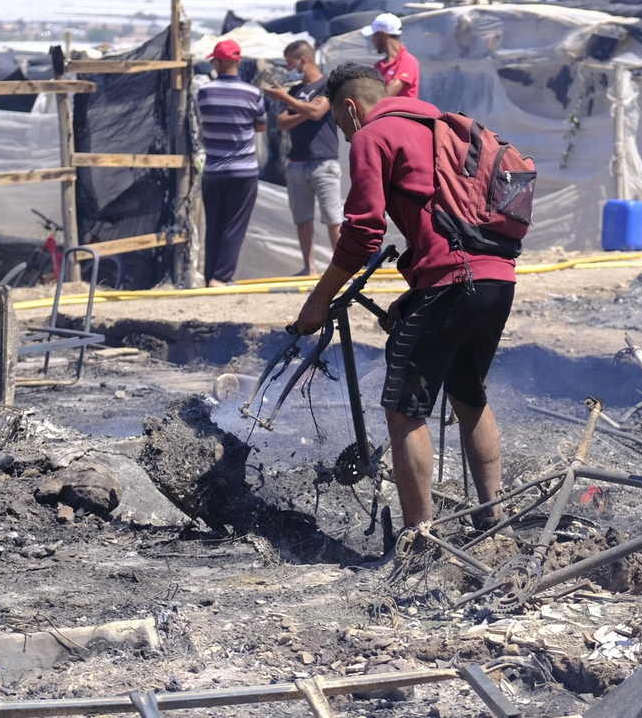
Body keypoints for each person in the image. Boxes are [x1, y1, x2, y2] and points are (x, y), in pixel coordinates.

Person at [293, 63, 514, 533]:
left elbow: (363, 233)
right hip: (498, 282)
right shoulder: (443, 129)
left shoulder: (375, 135)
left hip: (452, 285)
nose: (347, 136)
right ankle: (494, 520)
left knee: (403, 409)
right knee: (468, 395)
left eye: (339, 124)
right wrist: (415, 297)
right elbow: (451, 223)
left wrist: (318, 298)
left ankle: (420, 540)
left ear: (350, 108)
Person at [262, 40, 341, 275]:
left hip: (324, 162)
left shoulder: (328, 85)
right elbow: (281, 122)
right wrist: (302, 109)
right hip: (297, 163)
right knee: (302, 219)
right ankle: (310, 268)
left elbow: (318, 112)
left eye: (290, 62)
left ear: (303, 60)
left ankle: (341, 270)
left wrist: (287, 100)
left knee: (333, 218)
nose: (288, 68)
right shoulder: (296, 90)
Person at [197, 39, 266, 286]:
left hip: (214, 171)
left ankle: (210, 277)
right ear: (238, 61)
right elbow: (260, 126)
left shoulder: (204, 92)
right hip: (244, 171)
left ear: (217, 62)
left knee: (213, 225)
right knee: (234, 225)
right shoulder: (253, 93)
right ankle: (222, 277)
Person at [362, 13, 420, 99]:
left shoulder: (408, 61)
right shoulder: (378, 65)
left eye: (374, 35)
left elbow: (387, 94)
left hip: (398, 112)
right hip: (382, 112)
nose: (372, 40)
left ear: (383, 34)